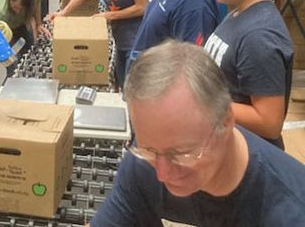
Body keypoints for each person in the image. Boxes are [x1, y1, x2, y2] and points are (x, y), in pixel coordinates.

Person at [89, 41, 305, 226]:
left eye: (181, 153)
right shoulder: (148, 160)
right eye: (149, 150)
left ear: (226, 121)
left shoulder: (289, 212)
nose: (162, 174)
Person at [201, 0, 294, 149]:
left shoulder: (259, 36)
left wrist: (202, 103)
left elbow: (269, 122)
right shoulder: (238, 12)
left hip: (247, 161)